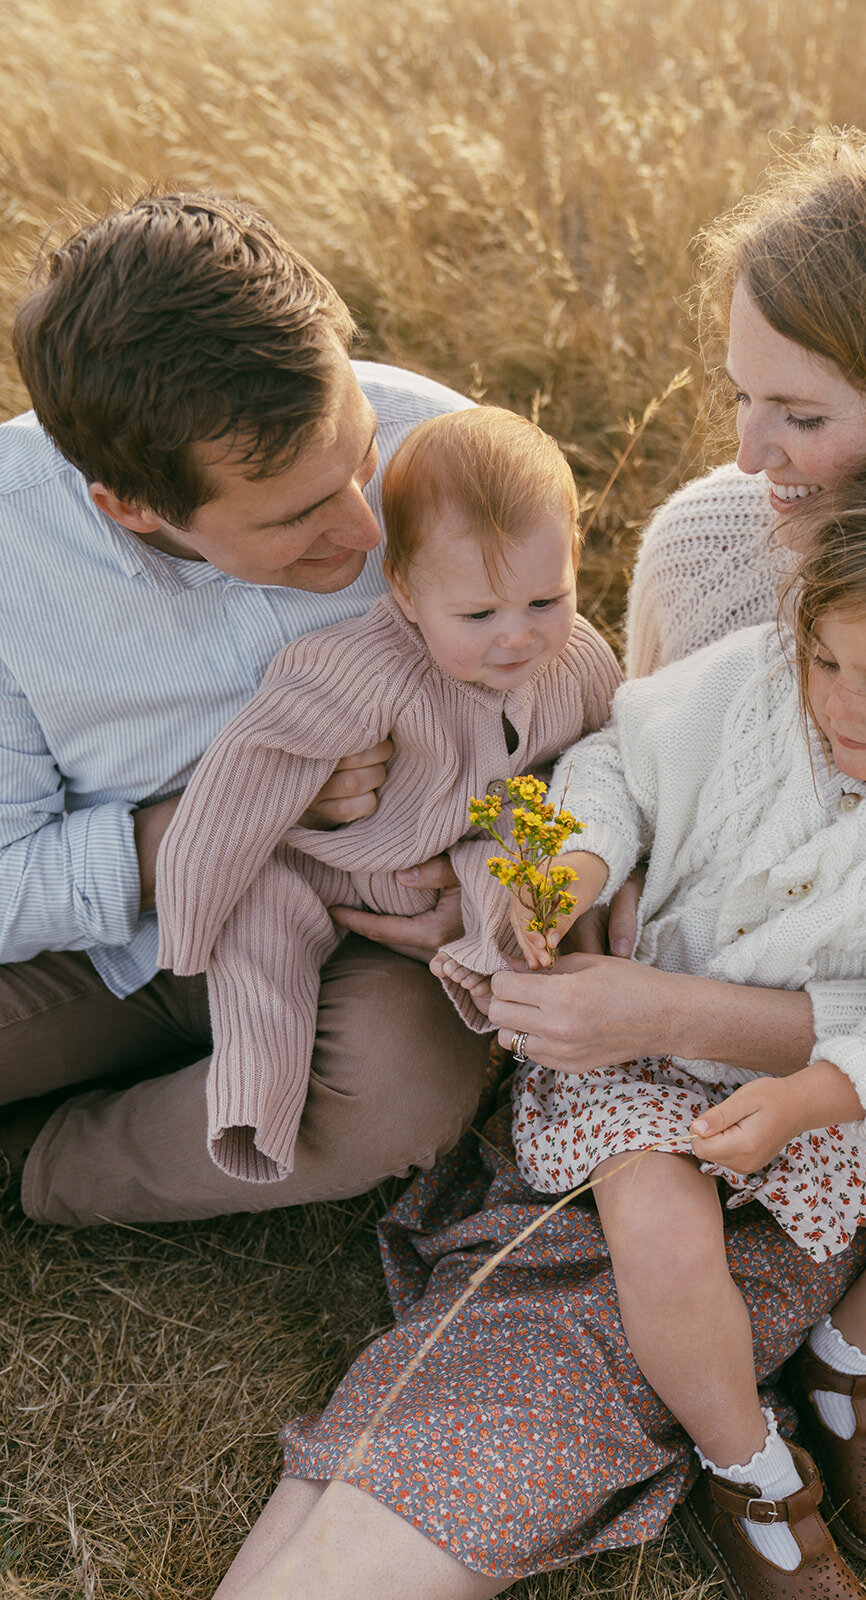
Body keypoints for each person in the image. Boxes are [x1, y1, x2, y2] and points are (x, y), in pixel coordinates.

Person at [211, 134, 866, 1600]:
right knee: (533, 1356)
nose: (743, 452)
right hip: (655, 1094)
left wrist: (681, 1023)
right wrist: (545, 886)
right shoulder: (726, 562)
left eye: (794, 412)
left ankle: (825, 1381)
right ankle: (747, 1455)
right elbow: (642, 786)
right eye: (738, 394)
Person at [508, 461, 866, 1597]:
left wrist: (816, 1099)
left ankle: (842, 1362)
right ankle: (748, 1466)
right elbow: (619, 757)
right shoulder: (752, 686)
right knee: (660, 1233)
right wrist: (578, 857)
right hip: (642, 1045)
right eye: (825, 662)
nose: (840, 706)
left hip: (836, 1076)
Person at [0, 190, 494, 1225]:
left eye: (356, 458)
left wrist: (484, 881)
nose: (365, 530)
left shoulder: (438, 443)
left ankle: (44, 1166)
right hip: (108, 945)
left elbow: (550, 692)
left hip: (359, 935)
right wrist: (206, 825)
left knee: (401, 1090)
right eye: (296, 515)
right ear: (130, 505)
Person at [152, 407, 620, 1184]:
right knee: (260, 951)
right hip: (321, 868)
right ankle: (251, 1111)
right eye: (477, 614)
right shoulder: (358, 667)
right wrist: (187, 924)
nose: (518, 637)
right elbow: (246, 777)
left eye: (546, 601)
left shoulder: (579, 659)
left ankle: (509, 1002)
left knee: (520, 882)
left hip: (450, 859)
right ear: (405, 590)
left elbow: (613, 759)